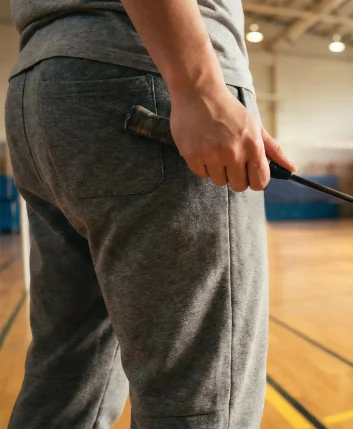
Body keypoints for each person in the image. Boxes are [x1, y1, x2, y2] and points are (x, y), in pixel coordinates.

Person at [4, 1, 295, 427]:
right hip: (145, 73)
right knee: (200, 400)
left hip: (41, 90)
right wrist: (203, 89)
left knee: (67, 377)